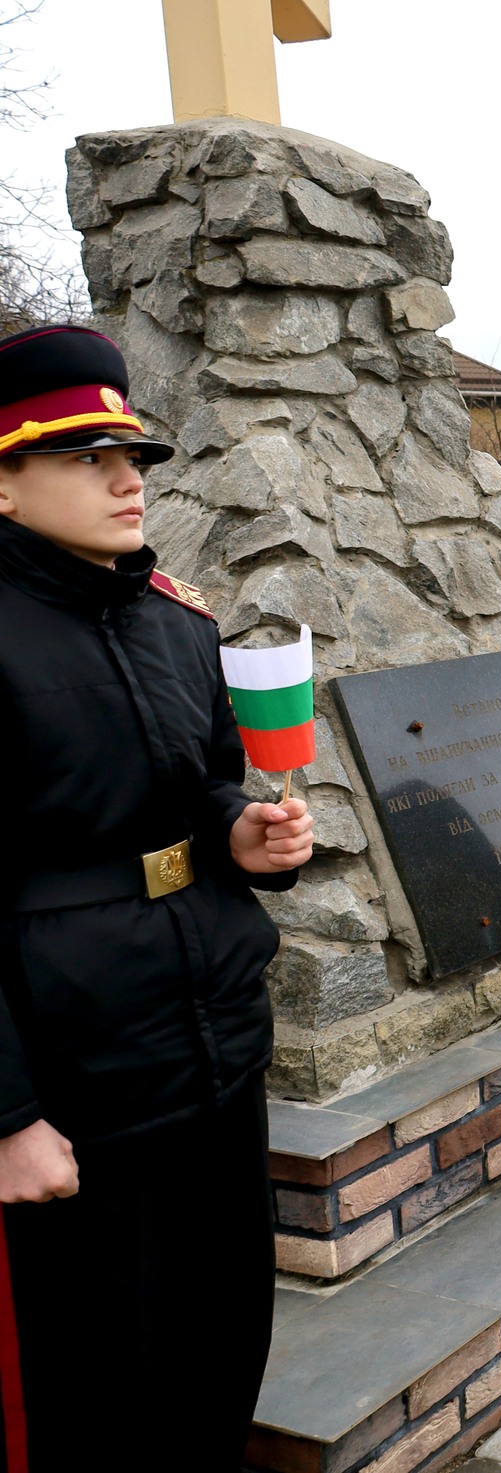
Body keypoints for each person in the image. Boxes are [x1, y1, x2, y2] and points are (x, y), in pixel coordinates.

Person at [0, 325, 314, 1465]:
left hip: (214, 1041)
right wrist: (7, 1117)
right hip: (74, 1074)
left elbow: (207, 784)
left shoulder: (178, 620)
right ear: (4, 477)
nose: (129, 477)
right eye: (87, 457)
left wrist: (246, 833)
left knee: (219, 1342)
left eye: (130, 453)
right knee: (99, 1381)